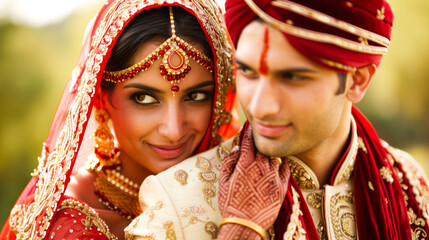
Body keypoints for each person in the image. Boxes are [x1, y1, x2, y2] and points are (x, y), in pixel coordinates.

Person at [0, 0, 238, 239]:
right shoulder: (72, 223)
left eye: (196, 96)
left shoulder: (239, 179)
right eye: (144, 98)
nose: (174, 130)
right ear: (101, 98)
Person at [215, 0, 429, 239]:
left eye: (292, 77)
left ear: (357, 80)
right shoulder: (177, 203)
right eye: (247, 71)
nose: (259, 107)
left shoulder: (411, 184)